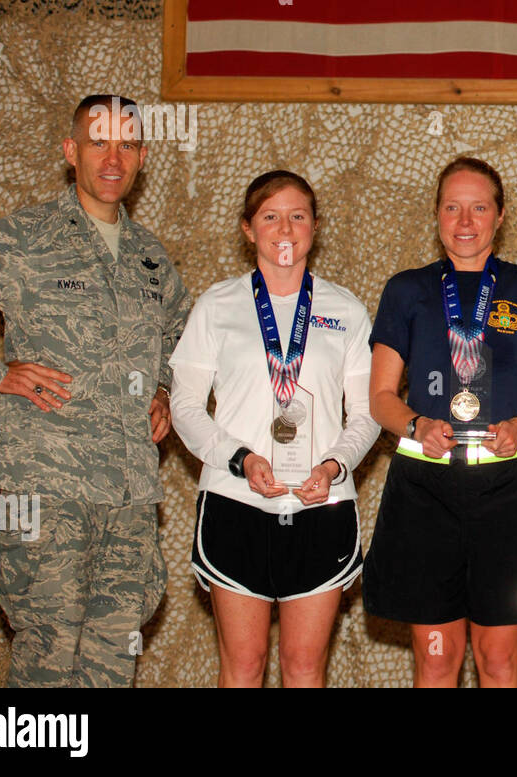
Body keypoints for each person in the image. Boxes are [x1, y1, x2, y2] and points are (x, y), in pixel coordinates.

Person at [0, 94, 191, 686]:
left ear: (142, 158)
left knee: (113, 650)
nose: (113, 157)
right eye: (98, 141)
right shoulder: (26, 236)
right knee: (48, 648)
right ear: (70, 151)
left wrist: (163, 388)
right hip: (43, 477)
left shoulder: (151, 257)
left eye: (127, 144)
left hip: (128, 489)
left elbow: (185, 334)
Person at [363, 156, 517, 688]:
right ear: (435, 215)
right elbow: (381, 396)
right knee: (437, 658)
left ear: (500, 217)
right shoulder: (406, 290)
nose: (465, 221)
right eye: (452, 207)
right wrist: (416, 426)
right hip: (425, 486)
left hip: (508, 487)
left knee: (499, 660)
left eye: (479, 207)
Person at [169, 170, 378, 687]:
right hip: (236, 500)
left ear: (315, 227)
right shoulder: (216, 306)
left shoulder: (346, 309)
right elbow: (185, 406)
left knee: (304, 667)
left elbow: (370, 411)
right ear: (247, 229)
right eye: (270, 216)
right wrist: (240, 457)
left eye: (298, 215)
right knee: (244, 666)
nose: (285, 228)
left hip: (320, 503)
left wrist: (335, 464)